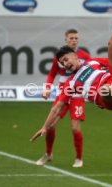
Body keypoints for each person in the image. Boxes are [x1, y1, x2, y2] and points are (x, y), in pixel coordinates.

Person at [30, 0, 112, 143]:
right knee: (105, 89)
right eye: (62, 63)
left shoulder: (92, 62)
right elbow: (56, 108)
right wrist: (45, 127)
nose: (64, 64)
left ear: (75, 56)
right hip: (111, 100)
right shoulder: (70, 84)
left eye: (65, 60)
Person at [36, 29, 91, 167]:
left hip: (77, 94)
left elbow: (92, 72)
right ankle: (48, 154)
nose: (74, 40)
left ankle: (79, 158)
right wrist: (47, 87)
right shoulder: (59, 58)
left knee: (74, 128)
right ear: (66, 40)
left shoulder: (84, 56)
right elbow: (51, 75)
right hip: (63, 93)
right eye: (71, 38)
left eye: (76, 38)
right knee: (51, 126)